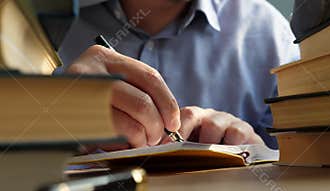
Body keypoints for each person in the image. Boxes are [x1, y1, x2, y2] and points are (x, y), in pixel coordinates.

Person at [58, 0, 299, 150]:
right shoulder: (34, 23)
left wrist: (256, 155)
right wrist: (47, 121)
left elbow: (298, 173)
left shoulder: (272, 36)